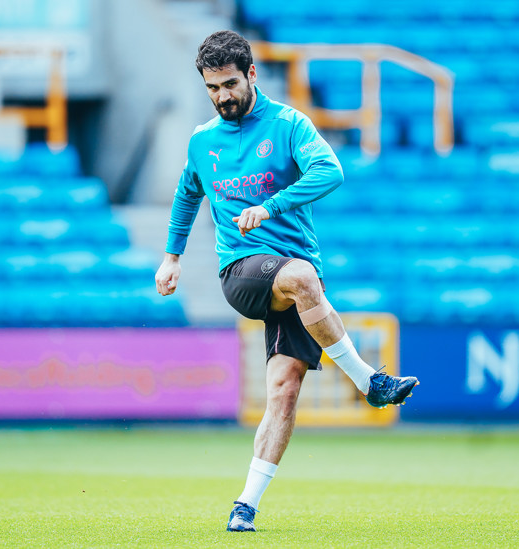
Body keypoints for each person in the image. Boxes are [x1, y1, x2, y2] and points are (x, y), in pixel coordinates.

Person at [155, 30, 419, 533]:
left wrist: (271, 206)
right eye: (212, 88)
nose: (222, 97)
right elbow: (188, 194)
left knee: (284, 389)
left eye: (229, 84)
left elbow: (331, 171)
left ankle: (245, 505)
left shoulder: (288, 123)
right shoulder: (202, 139)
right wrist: (172, 257)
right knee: (299, 276)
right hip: (242, 271)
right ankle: (370, 382)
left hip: (297, 282)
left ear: (252, 74)